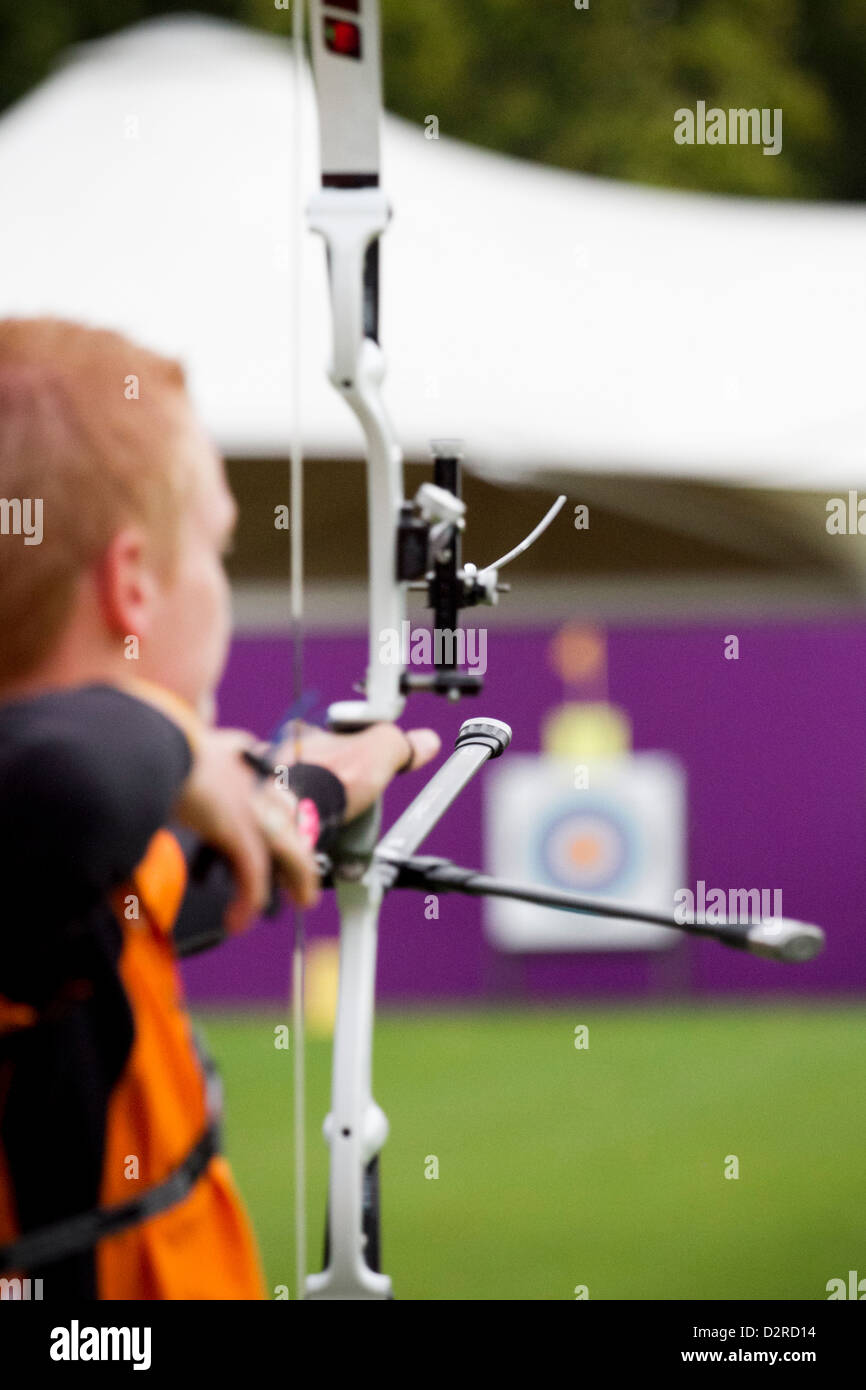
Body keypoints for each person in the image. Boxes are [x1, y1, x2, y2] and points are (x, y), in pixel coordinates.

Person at [0, 317, 439, 1299]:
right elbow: (64, 790)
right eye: (214, 550)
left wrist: (309, 789)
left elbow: (161, 888)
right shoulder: (54, 807)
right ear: (132, 586)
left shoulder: (73, 874)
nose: (223, 589)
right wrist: (183, 741)